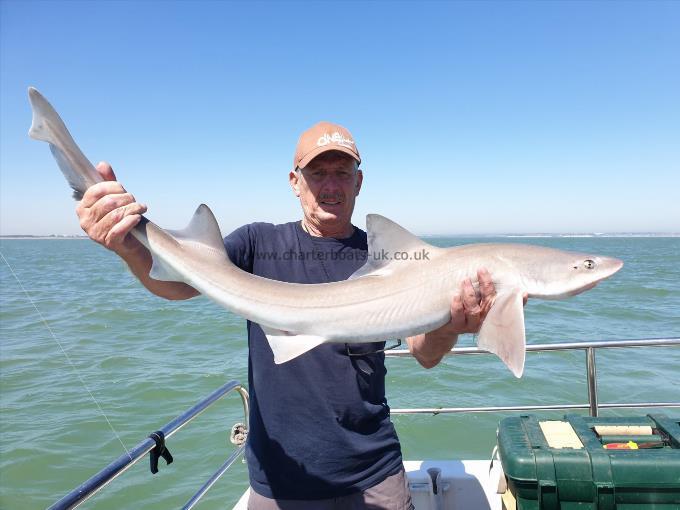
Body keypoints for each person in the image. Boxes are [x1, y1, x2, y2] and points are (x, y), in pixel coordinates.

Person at [76, 121, 498, 509]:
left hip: (374, 470)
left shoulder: (390, 257)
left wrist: (452, 323)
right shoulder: (259, 243)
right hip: (279, 476)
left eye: (342, 173)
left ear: (360, 181)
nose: (330, 186)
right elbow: (180, 284)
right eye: (318, 173)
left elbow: (423, 353)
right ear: (295, 182)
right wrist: (128, 245)